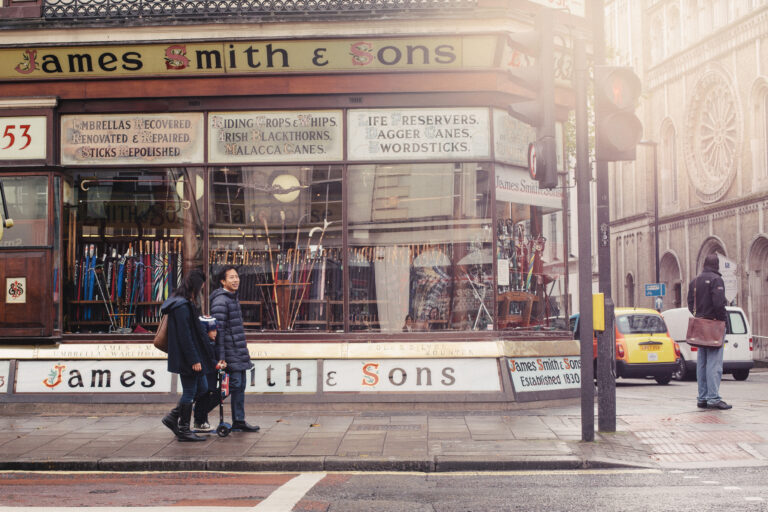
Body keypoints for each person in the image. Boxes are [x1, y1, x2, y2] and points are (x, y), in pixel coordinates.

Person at [160, 269, 217, 441]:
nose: (202, 289)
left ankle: (173, 417)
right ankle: (184, 429)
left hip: (192, 355)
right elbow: (185, 336)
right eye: (202, 286)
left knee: (202, 388)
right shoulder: (182, 306)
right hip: (188, 358)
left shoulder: (185, 302)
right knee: (190, 391)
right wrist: (194, 359)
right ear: (196, 285)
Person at [210, 266, 260, 432]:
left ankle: (239, 420)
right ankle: (201, 408)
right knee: (234, 384)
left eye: (237, 277)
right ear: (223, 281)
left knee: (240, 385)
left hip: (237, 350)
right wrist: (221, 357)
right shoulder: (221, 301)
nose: (236, 280)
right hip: (229, 351)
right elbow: (219, 332)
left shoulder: (232, 298)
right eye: (231, 277)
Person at [687, 253, 731, 410]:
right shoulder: (716, 280)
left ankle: (702, 397)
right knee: (714, 363)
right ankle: (713, 398)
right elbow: (719, 304)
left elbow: (690, 303)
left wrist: (699, 316)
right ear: (717, 265)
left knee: (702, 362)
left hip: (700, 325)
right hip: (713, 325)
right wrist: (723, 322)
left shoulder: (695, 281)